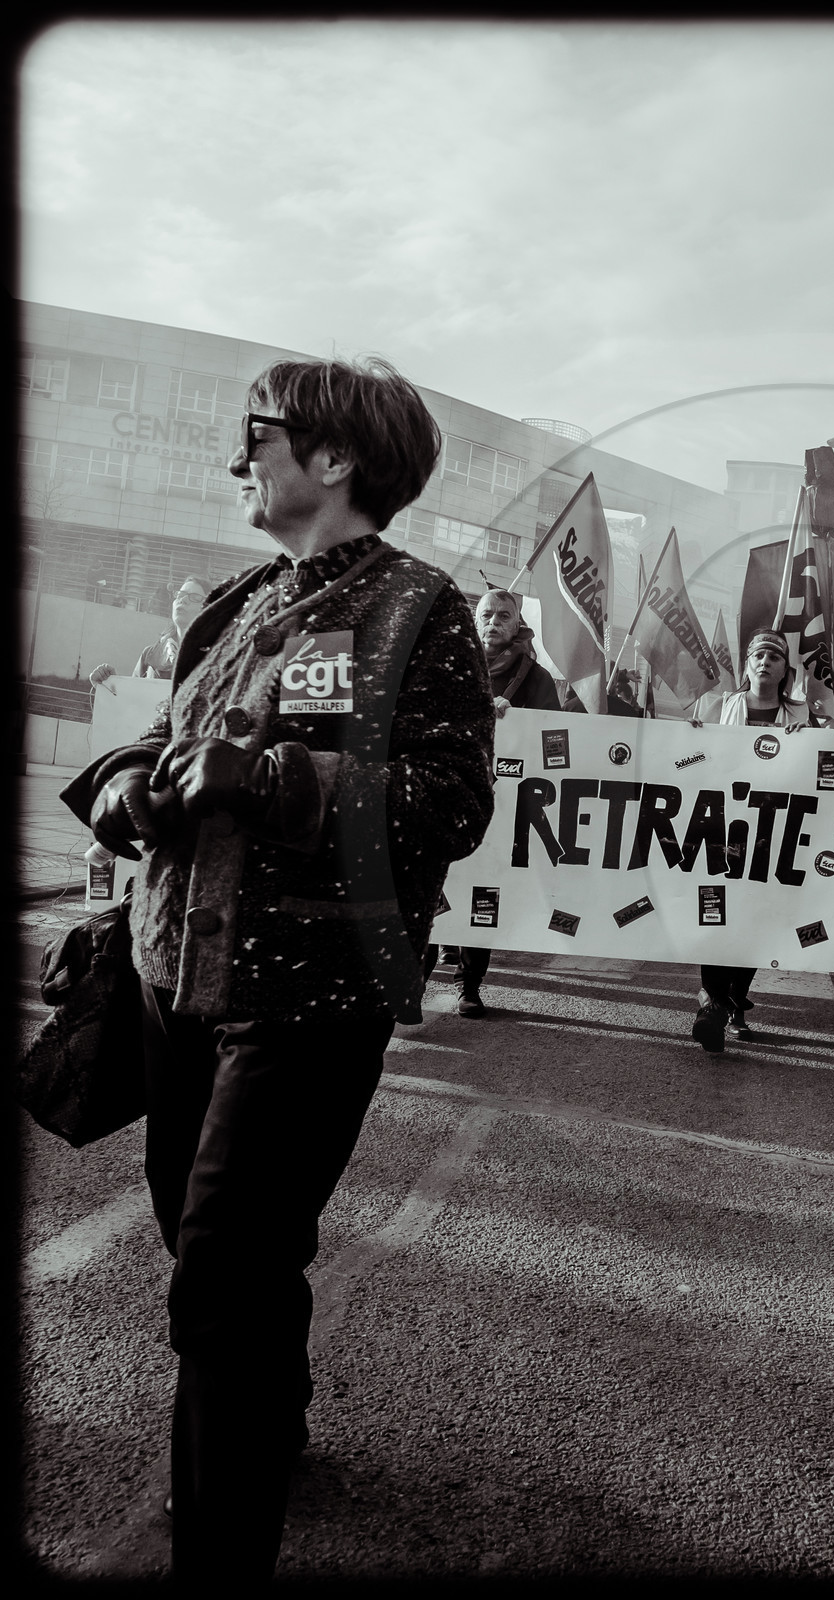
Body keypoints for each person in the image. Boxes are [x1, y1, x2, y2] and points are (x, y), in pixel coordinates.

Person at [62, 356, 496, 1582]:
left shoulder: (421, 609)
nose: (234, 457)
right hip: (168, 982)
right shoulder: (239, 599)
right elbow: (157, 739)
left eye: (255, 433)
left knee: (226, 1280)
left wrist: (278, 779)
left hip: (304, 1004)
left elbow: (454, 800)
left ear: (335, 458)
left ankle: (221, 1540)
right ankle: (273, 1422)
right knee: (206, 1248)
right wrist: (124, 785)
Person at [689, 628, 832, 1052]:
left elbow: (827, 770)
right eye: (758, 654)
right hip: (722, 829)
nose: (765, 661)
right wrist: (688, 737)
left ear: (786, 669)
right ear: (747, 664)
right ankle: (714, 1002)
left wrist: (811, 742)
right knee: (715, 912)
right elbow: (687, 763)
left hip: (774, 833)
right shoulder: (715, 707)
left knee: (756, 919)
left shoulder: (804, 716)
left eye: (774, 655)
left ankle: (732, 1002)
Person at [420, 587, 560, 1017]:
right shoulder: (449, 665)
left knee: (484, 891)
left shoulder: (536, 680)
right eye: (487, 613)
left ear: (518, 625)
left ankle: (469, 984)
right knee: (431, 889)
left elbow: (556, 742)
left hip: (502, 805)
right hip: (443, 796)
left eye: (504, 614)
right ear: (474, 619)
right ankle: (413, 980)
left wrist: (519, 721)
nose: (494, 621)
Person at [87, 575, 210, 688]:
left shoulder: (214, 660)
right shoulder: (150, 655)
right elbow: (133, 701)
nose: (183, 600)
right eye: (180, 595)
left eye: (194, 597)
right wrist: (110, 685)